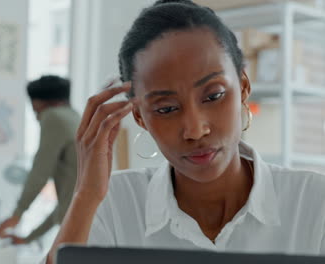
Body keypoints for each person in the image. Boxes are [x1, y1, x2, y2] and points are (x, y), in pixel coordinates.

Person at [44, 0, 325, 262]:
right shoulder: (112, 204)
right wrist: (86, 195)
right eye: (166, 109)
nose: (195, 129)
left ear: (243, 87)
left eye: (213, 96)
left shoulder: (313, 202)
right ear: (140, 117)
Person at [0, 75, 80, 244]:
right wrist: (28, 239)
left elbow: (40, 172)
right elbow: (66, 204)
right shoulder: (76, 118)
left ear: (43, 103)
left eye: (35, 111)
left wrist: (18, 213)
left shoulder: (53, 117)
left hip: (79, 226)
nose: (36, 118)